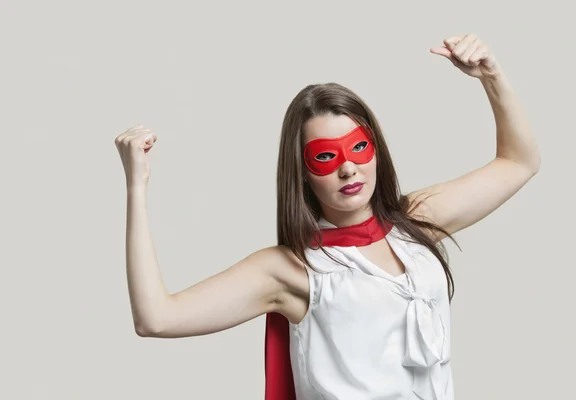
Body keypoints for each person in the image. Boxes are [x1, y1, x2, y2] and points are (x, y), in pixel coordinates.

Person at [114, 34, 541, 400]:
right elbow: (156, 318)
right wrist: (137, 186)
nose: (348, 169)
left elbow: (519, 162)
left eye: (358, 147)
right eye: (324, 156)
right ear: (301, 172)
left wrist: (491, 76)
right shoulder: (290, 269)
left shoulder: (416, 219)